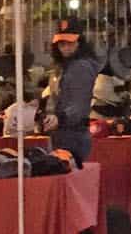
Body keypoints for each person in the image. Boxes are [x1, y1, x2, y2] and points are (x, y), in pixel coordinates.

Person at [43, 17, 101, 165]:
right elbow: (54, 97)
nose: (66, 48)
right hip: (61, 133)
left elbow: (79, 102)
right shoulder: (61, 67)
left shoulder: (81, 67)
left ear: (79, 42)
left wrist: (59, 118)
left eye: (70, 43)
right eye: (62, 44)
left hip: (74, 135)